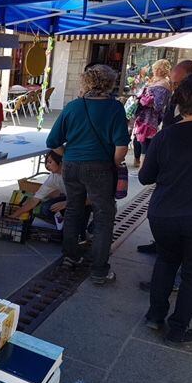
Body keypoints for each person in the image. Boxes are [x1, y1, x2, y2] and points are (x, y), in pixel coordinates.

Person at [46, 64, 130, 285]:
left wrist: (69, 155)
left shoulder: (73, 106)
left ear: (86, 82)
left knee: (73, 210)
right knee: (104, 216)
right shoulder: (115, 108)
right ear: (110, 84)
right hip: (100, 166)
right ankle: (99, 271)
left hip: (72, 165)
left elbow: (52, 142)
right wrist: (107, 164)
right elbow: (121, 149)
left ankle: (70, 257)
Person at [139, 74, 192, 345]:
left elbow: (145, 177)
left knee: (166, 261)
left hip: (163, 214)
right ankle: (177, 329)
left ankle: (155, 316)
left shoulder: (165, 136)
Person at [137, 59, 192, 257]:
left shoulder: (170, 134)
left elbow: (145, 176)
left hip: (170, 208)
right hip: (174, 208)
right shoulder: (168, 132)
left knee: (169, 262)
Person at [132, 59, 172, 166]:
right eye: (155, 68)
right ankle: (138, 162)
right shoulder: (156, 81)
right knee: (138, 138)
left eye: (157, 69)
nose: (155, 71)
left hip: (150, 118)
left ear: (161, 70)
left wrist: (144, 101)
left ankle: (143, 167)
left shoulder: (163, 84)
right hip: (143, 116)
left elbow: (158, 106)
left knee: (145, 140)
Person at [10, 150, 67, 221]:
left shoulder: (73, 174)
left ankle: (72, 228)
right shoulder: (53, 177)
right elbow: (34, 200)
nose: (47, 165)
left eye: (50, 162)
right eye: (46, 162)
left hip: (80, 202)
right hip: (70, 199)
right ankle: (61, 226)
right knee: (46, 208)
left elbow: (84, 197)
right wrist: (13, 216)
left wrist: (66, 204)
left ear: (60, 162)